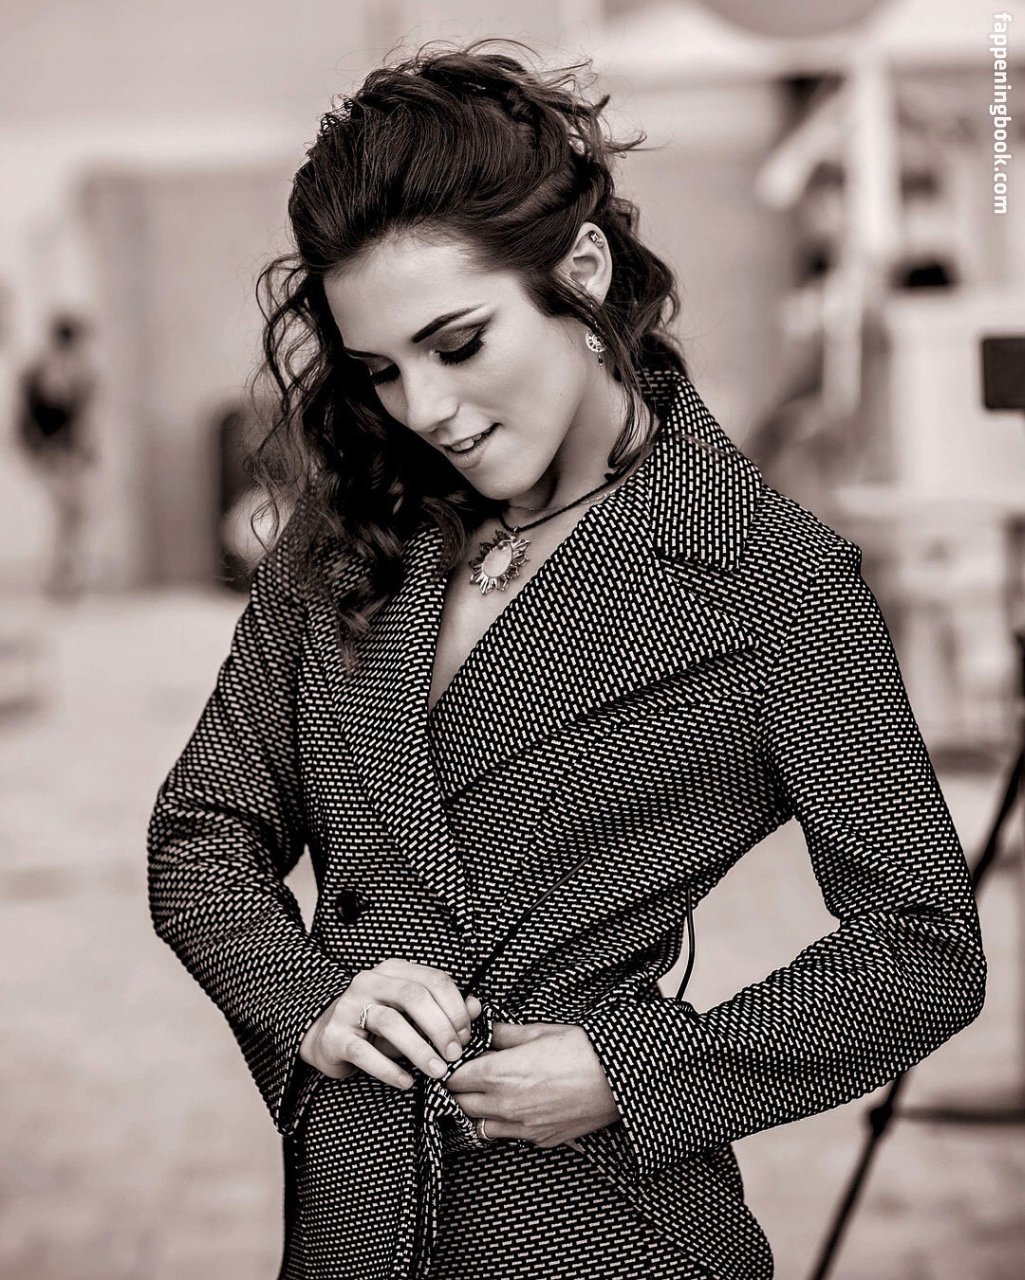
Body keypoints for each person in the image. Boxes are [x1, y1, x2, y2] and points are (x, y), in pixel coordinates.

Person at [146, 40, 988, 1280]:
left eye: (458, 343)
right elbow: (201, 834)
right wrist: (311, 998)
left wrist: (632, 1071)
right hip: (346, 1219)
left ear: (579, 272)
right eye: (379, 370)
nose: (423, 408)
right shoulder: (350, 533)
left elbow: (921, 946)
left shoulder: (767, 575)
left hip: (595, 1223)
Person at [16, 313, 97, 599]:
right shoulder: (40, 373)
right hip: (52, 454)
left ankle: (66, 575)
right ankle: (59, 576)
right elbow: (30, 419)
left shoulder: (80, 374)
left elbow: (82, 422)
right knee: (65, 513)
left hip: (68, 455)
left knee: (73, 514)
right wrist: (41, 451)